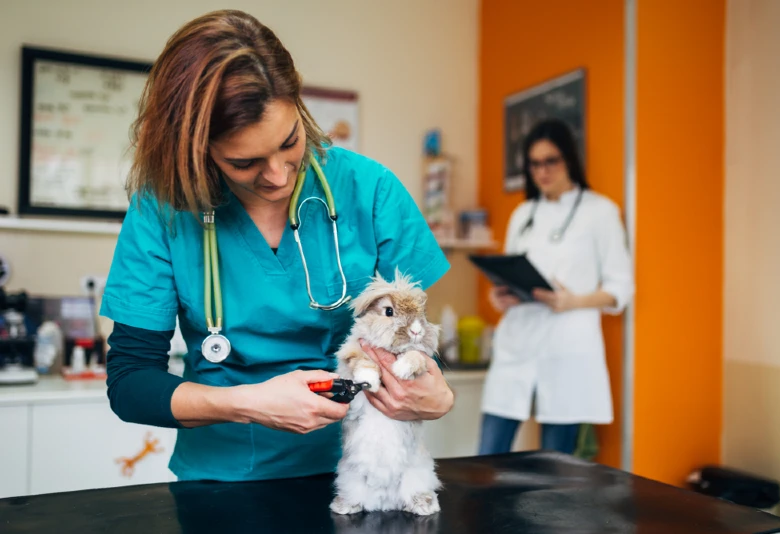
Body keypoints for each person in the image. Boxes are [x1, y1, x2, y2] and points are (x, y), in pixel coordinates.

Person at [100, 9, 454, 482]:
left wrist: (436, 393)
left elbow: (416, 342)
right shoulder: (164, 208)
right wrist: (247, 403)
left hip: (365, 472)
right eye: (245, 162)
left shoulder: (369, 190)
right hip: (222, 484)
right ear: (196, 148)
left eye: (290, 141)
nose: (278, 175)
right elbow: (130, 384)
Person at [478, 119, 633, 456]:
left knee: (556, 470)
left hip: (568, 346)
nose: (542, 171)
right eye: (534, 163)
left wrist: (572, 301)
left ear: (570, 160)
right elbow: (511, 272)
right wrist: (501, 295)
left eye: (551, 161)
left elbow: (621, 289)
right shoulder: (523, 213)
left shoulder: (601, 212)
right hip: (517, 342)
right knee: (486, 458)